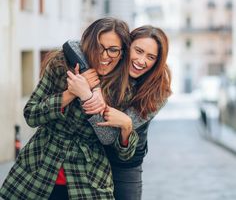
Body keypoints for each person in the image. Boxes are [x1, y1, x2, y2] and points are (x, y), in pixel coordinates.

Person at [0, 18, 139, 200]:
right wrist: (70, 93)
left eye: (113, 50)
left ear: (122, 53)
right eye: (99, 47)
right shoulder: (61, 64)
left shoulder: (124, 87)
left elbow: (121, 151)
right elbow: (31, 115)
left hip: (88, 181)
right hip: (39, 170)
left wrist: (126, 125)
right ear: (88, 44)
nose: (104, 56)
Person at [83, 25, 172, 200]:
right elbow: (73, 45)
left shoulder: (159, 93)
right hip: (93, 158)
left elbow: (108, 133)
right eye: (138, 51)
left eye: (151, 57)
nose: (141, 61)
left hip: (125, 165)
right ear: (126, 47)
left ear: (157, 62)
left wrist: (87, 94)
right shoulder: (109, 66)